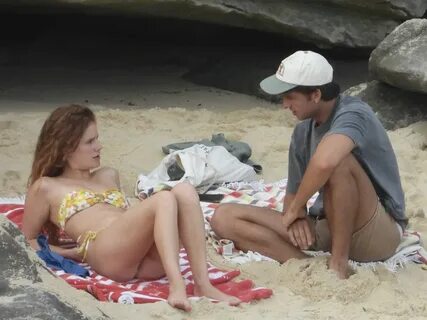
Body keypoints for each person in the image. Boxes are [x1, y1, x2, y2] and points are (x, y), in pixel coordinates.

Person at [22, 104, 240, 311]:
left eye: (97, 139)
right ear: (66, 149)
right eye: (90, 142)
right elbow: (27, 240)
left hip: (143, 257)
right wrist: (69, 253)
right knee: (164, 199)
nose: (99, 146)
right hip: (106, 253)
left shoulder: (108, 174)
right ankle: (177, 286)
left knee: (184, 190)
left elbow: (128, 220)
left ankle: (203, 284)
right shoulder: (47, 187)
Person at [211, 50, 407, 279]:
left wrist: (295, 210)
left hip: (374, 231)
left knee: (338, 161)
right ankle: (307, 264)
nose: (284, 104)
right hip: (328, 226)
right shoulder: (302, 132)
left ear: (315, 95)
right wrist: (298, 216)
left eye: (290, 96)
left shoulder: (354, 112)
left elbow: (326, 162)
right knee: (224, 217)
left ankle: (338, 265)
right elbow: (292, 195)